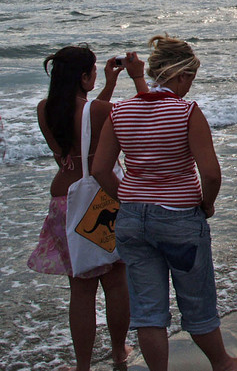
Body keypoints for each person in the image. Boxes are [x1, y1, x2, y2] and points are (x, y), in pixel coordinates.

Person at [92, 34, 237, 371]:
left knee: (148, 309)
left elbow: (99, 169)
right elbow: (210, 173)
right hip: (179, 217)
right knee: (196, 299)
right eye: (190, 79)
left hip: (131, 219)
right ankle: (222, 362)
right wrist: (206, 204)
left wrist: (127, 196)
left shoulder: (120, 112)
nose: (190, 87)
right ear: (182, 75)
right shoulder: (186, 112)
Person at [28, 45, 142, 371]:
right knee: (116, 282)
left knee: (80, 290)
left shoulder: (43, 109)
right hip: (100, 201)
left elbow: (67, 150)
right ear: (83, 77)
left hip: (64, 201)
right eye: (92, 72)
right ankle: (119, 352)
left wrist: (105, 85)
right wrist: (126, 80)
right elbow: (112, 118)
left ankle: (82, 367)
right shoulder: (99, 110)